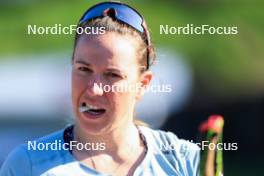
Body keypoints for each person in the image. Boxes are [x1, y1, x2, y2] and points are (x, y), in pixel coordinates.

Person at [0, 1, 200, 176]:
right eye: (83, 69)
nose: (94, 90)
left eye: (112, 75)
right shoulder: (27, 165)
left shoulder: (184, 160)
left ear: (142, 85)